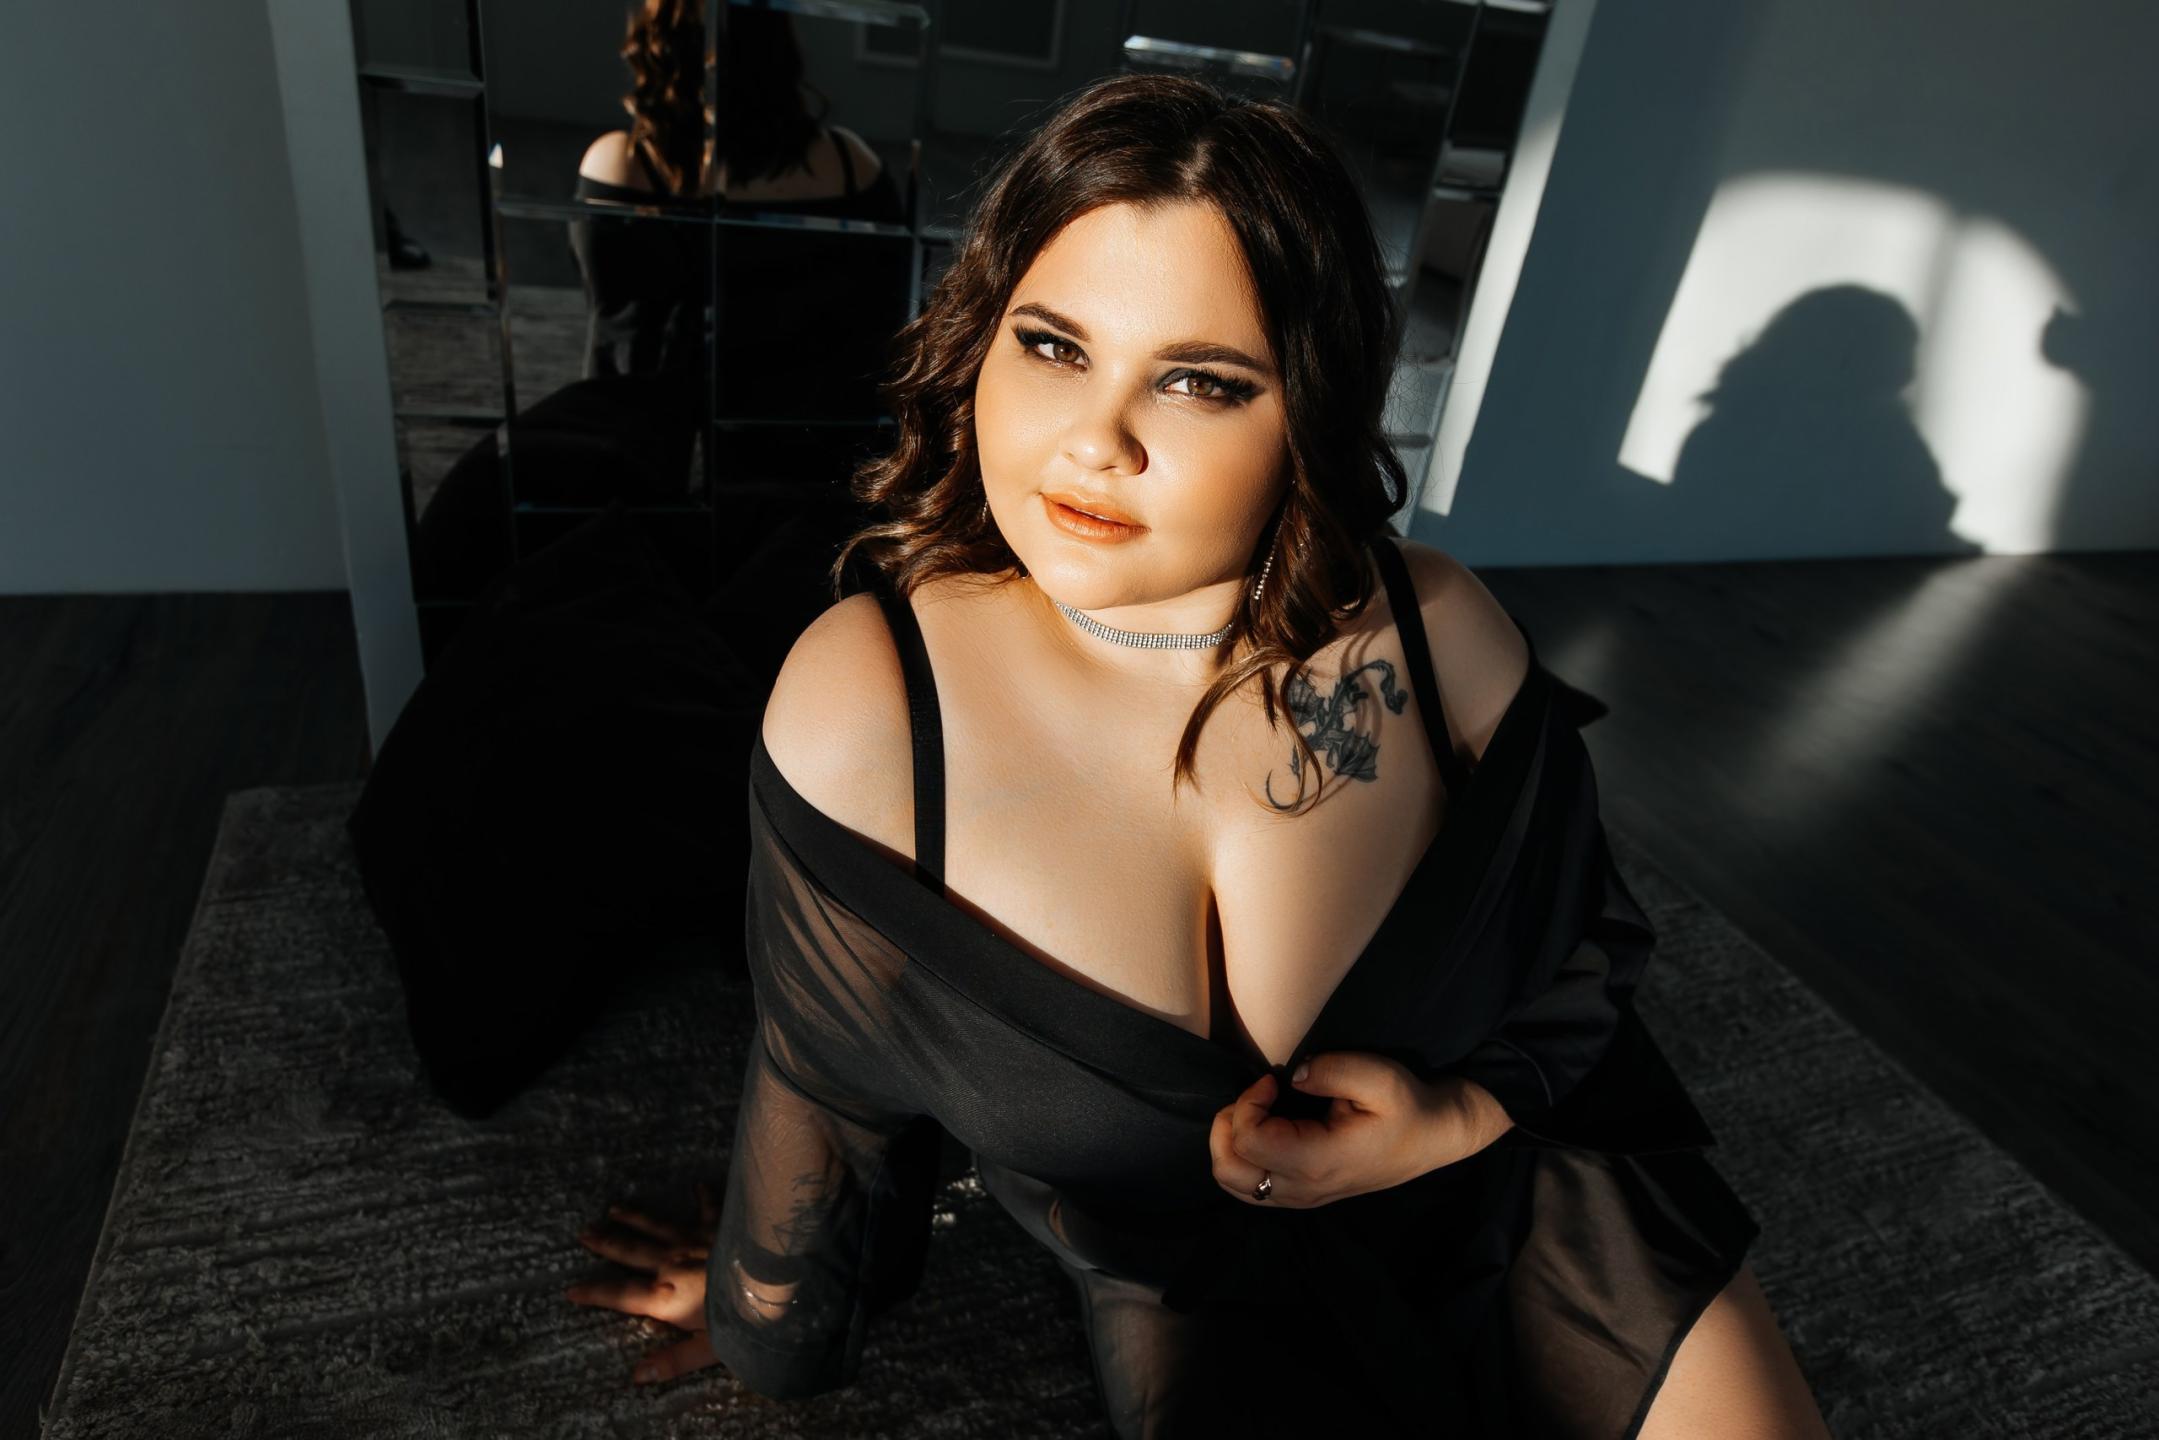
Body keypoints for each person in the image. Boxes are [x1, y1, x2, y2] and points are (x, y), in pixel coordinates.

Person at [562, 72, 1834, 1437]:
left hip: (1534, 1204)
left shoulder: (1436, 633)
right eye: (1053, 347)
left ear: (1309, 411)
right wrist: (766, 1314)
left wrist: (1457, 1117)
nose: (1096, 441)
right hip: (1201, 1302)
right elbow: (827, 1082)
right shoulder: (876, 708)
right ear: (978, 339)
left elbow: (1581, 946)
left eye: (1198, 382)